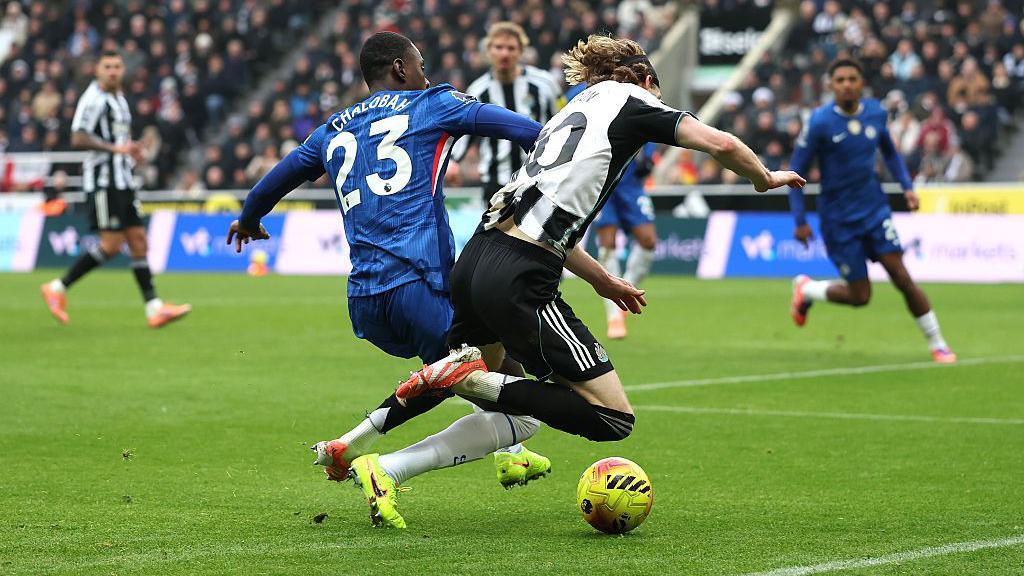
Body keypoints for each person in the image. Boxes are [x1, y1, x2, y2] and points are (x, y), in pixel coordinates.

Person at [344, 35, 805, 528]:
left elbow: (546, 216)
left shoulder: (570, 111)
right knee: (612, 418)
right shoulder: (636, 101)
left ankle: (387, 466)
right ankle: (463, 376)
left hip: (476, 260)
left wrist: (603, 279)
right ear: (647, 81)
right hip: (520, 277)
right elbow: (723, 143)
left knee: (511, 410)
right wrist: (764, 178)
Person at [227, 32, 552, 514]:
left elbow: (271, 183)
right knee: (516, 403)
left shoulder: (332, 129)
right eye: (419, 63)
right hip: (420, 284)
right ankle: (365, 454)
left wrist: (250, 220)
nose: (425, 72)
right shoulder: (433, 105)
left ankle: (511, 455)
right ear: (401, 68)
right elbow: (527, 130)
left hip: (366, 300)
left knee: (493, 365)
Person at [787, 58, 956, 364]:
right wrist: (799, 221)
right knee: (860, 297)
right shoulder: (820, 122)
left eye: (853, 78)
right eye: (840, 80)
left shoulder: (876, 113)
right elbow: (796, 170)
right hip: (838, 220)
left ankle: (938, 343)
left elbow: (889, 152)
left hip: (875, 212)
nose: (847, 84)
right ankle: (807, 289)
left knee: (902, 277)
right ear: (831, 85)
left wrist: (907, 187)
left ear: (861, 83)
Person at [40, 50, 190, 328]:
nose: (112, 71)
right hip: (103, 181)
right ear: (97, 70)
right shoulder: (93, 98)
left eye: (117, 66)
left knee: (138, 241)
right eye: (107, 66)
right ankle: (57, 287)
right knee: (111, 244)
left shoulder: (119, 98)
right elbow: (78, 137)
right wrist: (116, 148)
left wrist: (130, 149)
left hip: (123, 179)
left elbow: (117, 137)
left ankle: (154, 308)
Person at [567, 81, 658, 340]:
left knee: (648, 240)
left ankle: (626, 288)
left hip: (630, 181)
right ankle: (614, 315)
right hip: (600, 177)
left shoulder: (632, 86)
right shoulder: (577, 93)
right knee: (607, 243)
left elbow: (653, 118)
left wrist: (648, 154)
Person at [450, 22, 563, 204]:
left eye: (511, 48)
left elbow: (563, 121)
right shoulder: (478, 91)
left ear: (521, 51)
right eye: (499, 47)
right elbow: (464, 133)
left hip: (539, 178)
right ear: (489, 50)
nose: (504, 53)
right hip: (495, 182)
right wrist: (453, 161)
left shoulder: (545, 84)